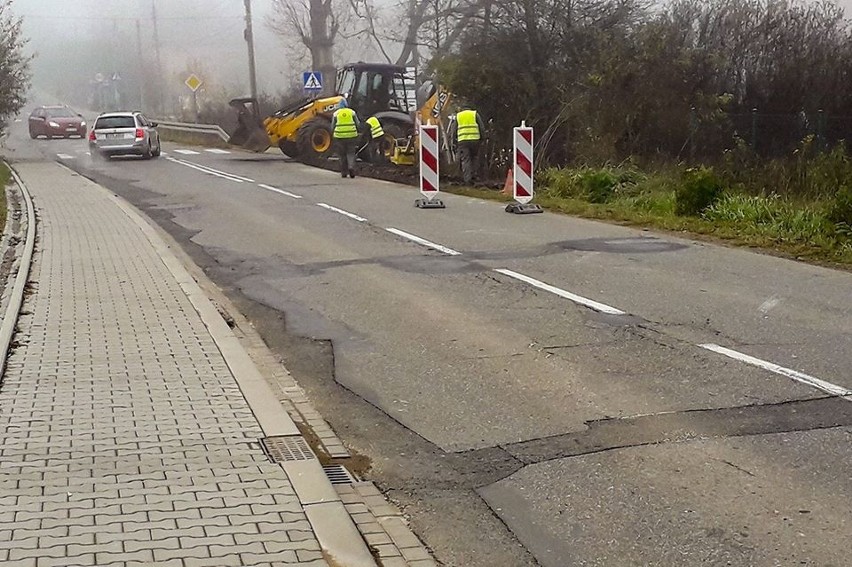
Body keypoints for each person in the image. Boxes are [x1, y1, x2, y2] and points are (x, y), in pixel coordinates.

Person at [451, 105, 486, 185]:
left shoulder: (458, 116)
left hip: (463, 141)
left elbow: (454, 130)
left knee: (465, 160)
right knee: (474, 158)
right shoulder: (475, 114)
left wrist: (453, 141)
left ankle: (467, 179)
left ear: (462, 109)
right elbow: (481, 128)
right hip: (475, 140)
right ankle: (474, 176)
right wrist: (482, 138)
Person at [330, 99, 362, 178]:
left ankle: (344, 172)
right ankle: (351, 167)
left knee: (342, 154)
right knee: (350, 153)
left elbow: (332, 126)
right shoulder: (352, 112)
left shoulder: (336, 114)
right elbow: (357, 124)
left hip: (339, 137)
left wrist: (332, 134)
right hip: (351, 136)